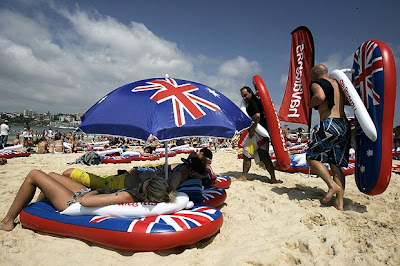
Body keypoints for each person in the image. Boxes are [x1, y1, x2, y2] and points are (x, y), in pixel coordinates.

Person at [0, 169, 175, 231]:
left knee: (34, 174)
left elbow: (85, 202)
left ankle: (7, 222)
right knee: (52, 175)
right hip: (87, 195)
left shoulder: (127, 195)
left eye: (142, 185)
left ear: (144, 194)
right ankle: (40, 206)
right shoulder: (145, 194)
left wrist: (98, 191)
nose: (140, 183)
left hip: (73, 203)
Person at [306, 64, 351, 211]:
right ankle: (339, 203)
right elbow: (349, 102)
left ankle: (332, 186)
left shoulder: (317, 83)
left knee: (311, 157)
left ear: (317, 73)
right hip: (344, 124)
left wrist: (310, 103)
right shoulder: (339, 84)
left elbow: (320, 96)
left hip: (330, 123)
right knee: (335, 164)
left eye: (312, 75)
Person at [239, 86, 278, 183]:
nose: (244, 98)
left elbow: (257, 116)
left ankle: (244, 176)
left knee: (246, 153)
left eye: (245, 95)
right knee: (264, 156)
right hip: (264, 135)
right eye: (242, 96)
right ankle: (273, 178)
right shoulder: (257, 101)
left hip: (257, 134)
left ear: (251, 93)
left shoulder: (252, 102)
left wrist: (252, 129)